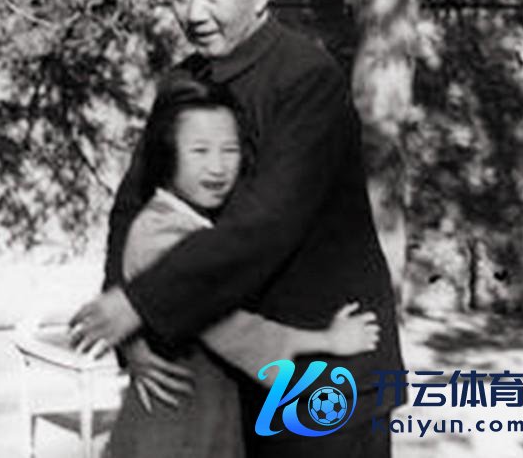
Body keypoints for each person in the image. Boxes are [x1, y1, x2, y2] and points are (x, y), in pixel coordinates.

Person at [71, 0, 405, 457]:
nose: (193, 14)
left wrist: (142, 302)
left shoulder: (307, 78)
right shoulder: (185, 83)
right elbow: (132, 205)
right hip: (229, 377)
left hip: (324, 368)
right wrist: (129, 327)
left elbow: (266, 222)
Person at [106, 76, 380, 457]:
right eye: (200, 151)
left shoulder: (197, 224)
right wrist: (327, 341)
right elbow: (230, 329)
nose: (217, 167)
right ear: (167, 155)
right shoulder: (159, 233)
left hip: (203, 415)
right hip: (174, 426)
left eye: (230, 150)